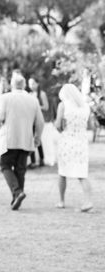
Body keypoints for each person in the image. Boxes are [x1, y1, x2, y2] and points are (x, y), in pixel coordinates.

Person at [0, 74, 45, 210]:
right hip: (25, 139)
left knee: (5, 165)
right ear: (24, 85)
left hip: (9, 138)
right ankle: (17, 196)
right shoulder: (33, 100)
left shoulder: (5, 98)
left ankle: (17, 193)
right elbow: (40, 122)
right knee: (20, 169)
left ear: (12, 84)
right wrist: (37, 137)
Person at [55, 84, 93, 212]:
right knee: (82, 174)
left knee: (62, 172)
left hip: (66, 141)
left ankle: (61, 200)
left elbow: (58, 125)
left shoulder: (63, 105)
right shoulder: (86, 107)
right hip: (81, 142)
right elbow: (90, 125)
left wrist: (61, 127)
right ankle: (88, 201)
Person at [28, 77, 50, 168]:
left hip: (38, 119)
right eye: (30, 84)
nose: (31, 85)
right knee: (31, 139)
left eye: (33, 83)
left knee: (38, 139)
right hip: (30, 119)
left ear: (37, 84)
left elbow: (46, 107)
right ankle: (33, 161)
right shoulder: (29, 94)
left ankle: (41, 159)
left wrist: (36, 107)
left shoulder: (42, 94)